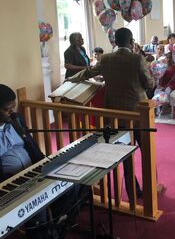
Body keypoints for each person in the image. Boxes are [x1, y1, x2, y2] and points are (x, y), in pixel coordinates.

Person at [67, 28, 155, 198]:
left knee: (125, 153)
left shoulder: (106, 58)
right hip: (138, 112)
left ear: (115, 41)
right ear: (131, 42)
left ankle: (132, 190)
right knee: (146, 150)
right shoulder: (137, 59)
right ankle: (151, 189)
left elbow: (88, 72)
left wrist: (70, 79)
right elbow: (149, 84)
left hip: (114, 113)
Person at [0, 84, 86, 239]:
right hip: (10, 182)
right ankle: (46, 229)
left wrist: (49, 163)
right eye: (7, 109)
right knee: (37, 205)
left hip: (33, 170)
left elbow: (31, 146)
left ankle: (56, 222)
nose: (12, 112)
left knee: (76, 184)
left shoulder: (16, 119)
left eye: (13, 107)